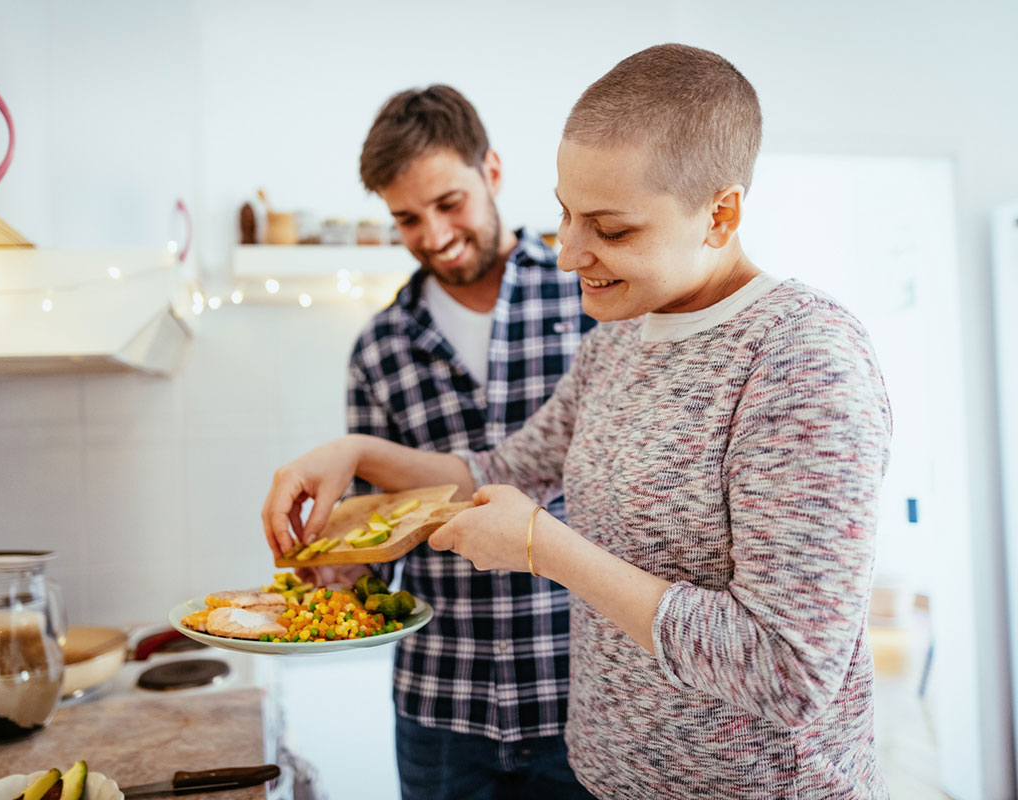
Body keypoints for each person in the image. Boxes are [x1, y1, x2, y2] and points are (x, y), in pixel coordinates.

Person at [264, 44, 892, 799]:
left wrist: (544, 547)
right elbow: (502, 472)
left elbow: (788, 672)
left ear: (719, 214)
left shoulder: (802, 360)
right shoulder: (620, 338)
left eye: (610, 229)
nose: (568, 254)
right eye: (564, 213)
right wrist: (355, 450)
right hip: (606, 780)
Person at [271, 85, 597, 799]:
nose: (435, 234)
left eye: (450, 203)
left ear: (494, 172)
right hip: (442, 705)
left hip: (586, 692)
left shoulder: (588, 296)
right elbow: (376, 537)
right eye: (407, 219)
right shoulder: (380, 347)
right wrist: (338, 568)